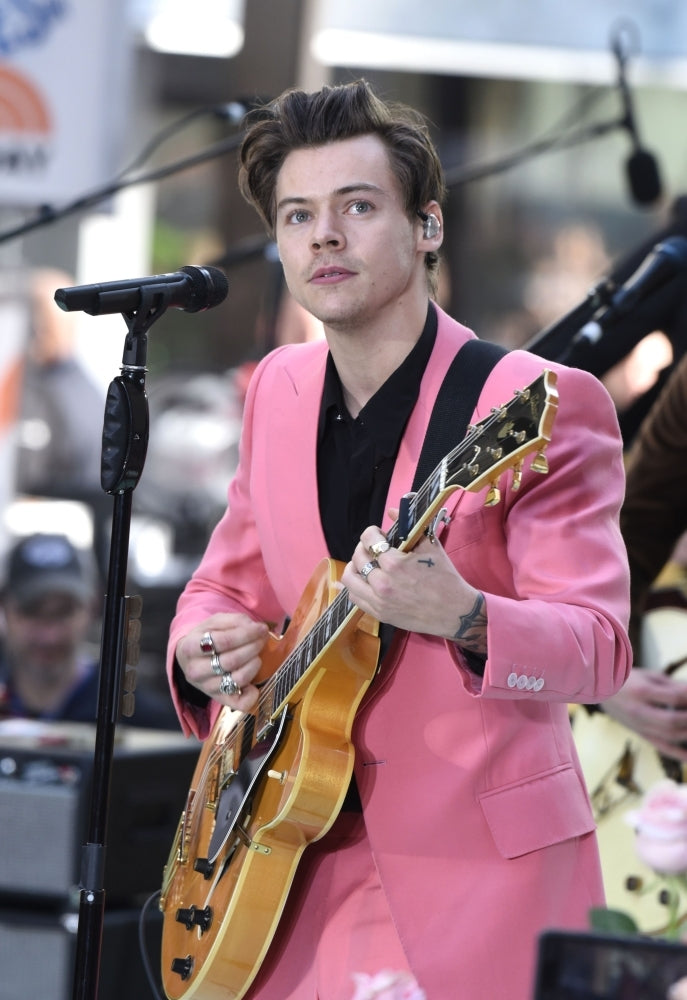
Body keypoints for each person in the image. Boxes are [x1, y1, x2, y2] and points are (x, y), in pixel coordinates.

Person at [166, 80, 632, 1000]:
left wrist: (466, 617)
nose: (323, 236)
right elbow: (223, 588)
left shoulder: (537, 402)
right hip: (286, 861)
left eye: (358, 207)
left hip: (479, 877)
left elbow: (601, 650)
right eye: (298, 214)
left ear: (427, 227)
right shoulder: (278, 388)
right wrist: (201, 648)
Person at [0, 532, 179, 730]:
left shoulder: (142, 719)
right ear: (5, 610)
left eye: (64, 612)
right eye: (31, 612)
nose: (49, 636)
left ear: (92, 608)